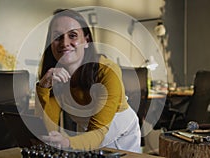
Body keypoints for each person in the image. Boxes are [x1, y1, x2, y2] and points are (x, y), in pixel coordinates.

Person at [35, 8, 141, 153]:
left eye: (72, 35)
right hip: (86, 133)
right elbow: (49, 128)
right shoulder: (54, 75)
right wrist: (43, 87)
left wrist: (67, 142)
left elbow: (97, 133)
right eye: (57, 37)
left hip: (119, 133)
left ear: (86, 41)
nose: (64, 43)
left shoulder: (107, 71)